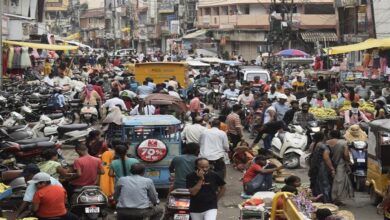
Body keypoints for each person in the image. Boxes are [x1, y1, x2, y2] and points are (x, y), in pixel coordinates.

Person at [326, 130, 354, 205]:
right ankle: (336, 198)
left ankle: (328, 197)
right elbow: (346, 154)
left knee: (329, 180)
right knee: (339, 181)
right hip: (340, 163)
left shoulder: (327, 142)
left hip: (327, 164)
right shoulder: (343, 142)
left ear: (330, 135)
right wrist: (348, 161)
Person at [308, 132, 334, 203]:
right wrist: (332, 168)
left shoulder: (313, 145)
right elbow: (326, 157)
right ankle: (326, 201)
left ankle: (318, 198)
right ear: (323, 137)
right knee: (325, 184)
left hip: (315, 166)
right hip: (322, 167)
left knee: (317, 183)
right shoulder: (323, 146)